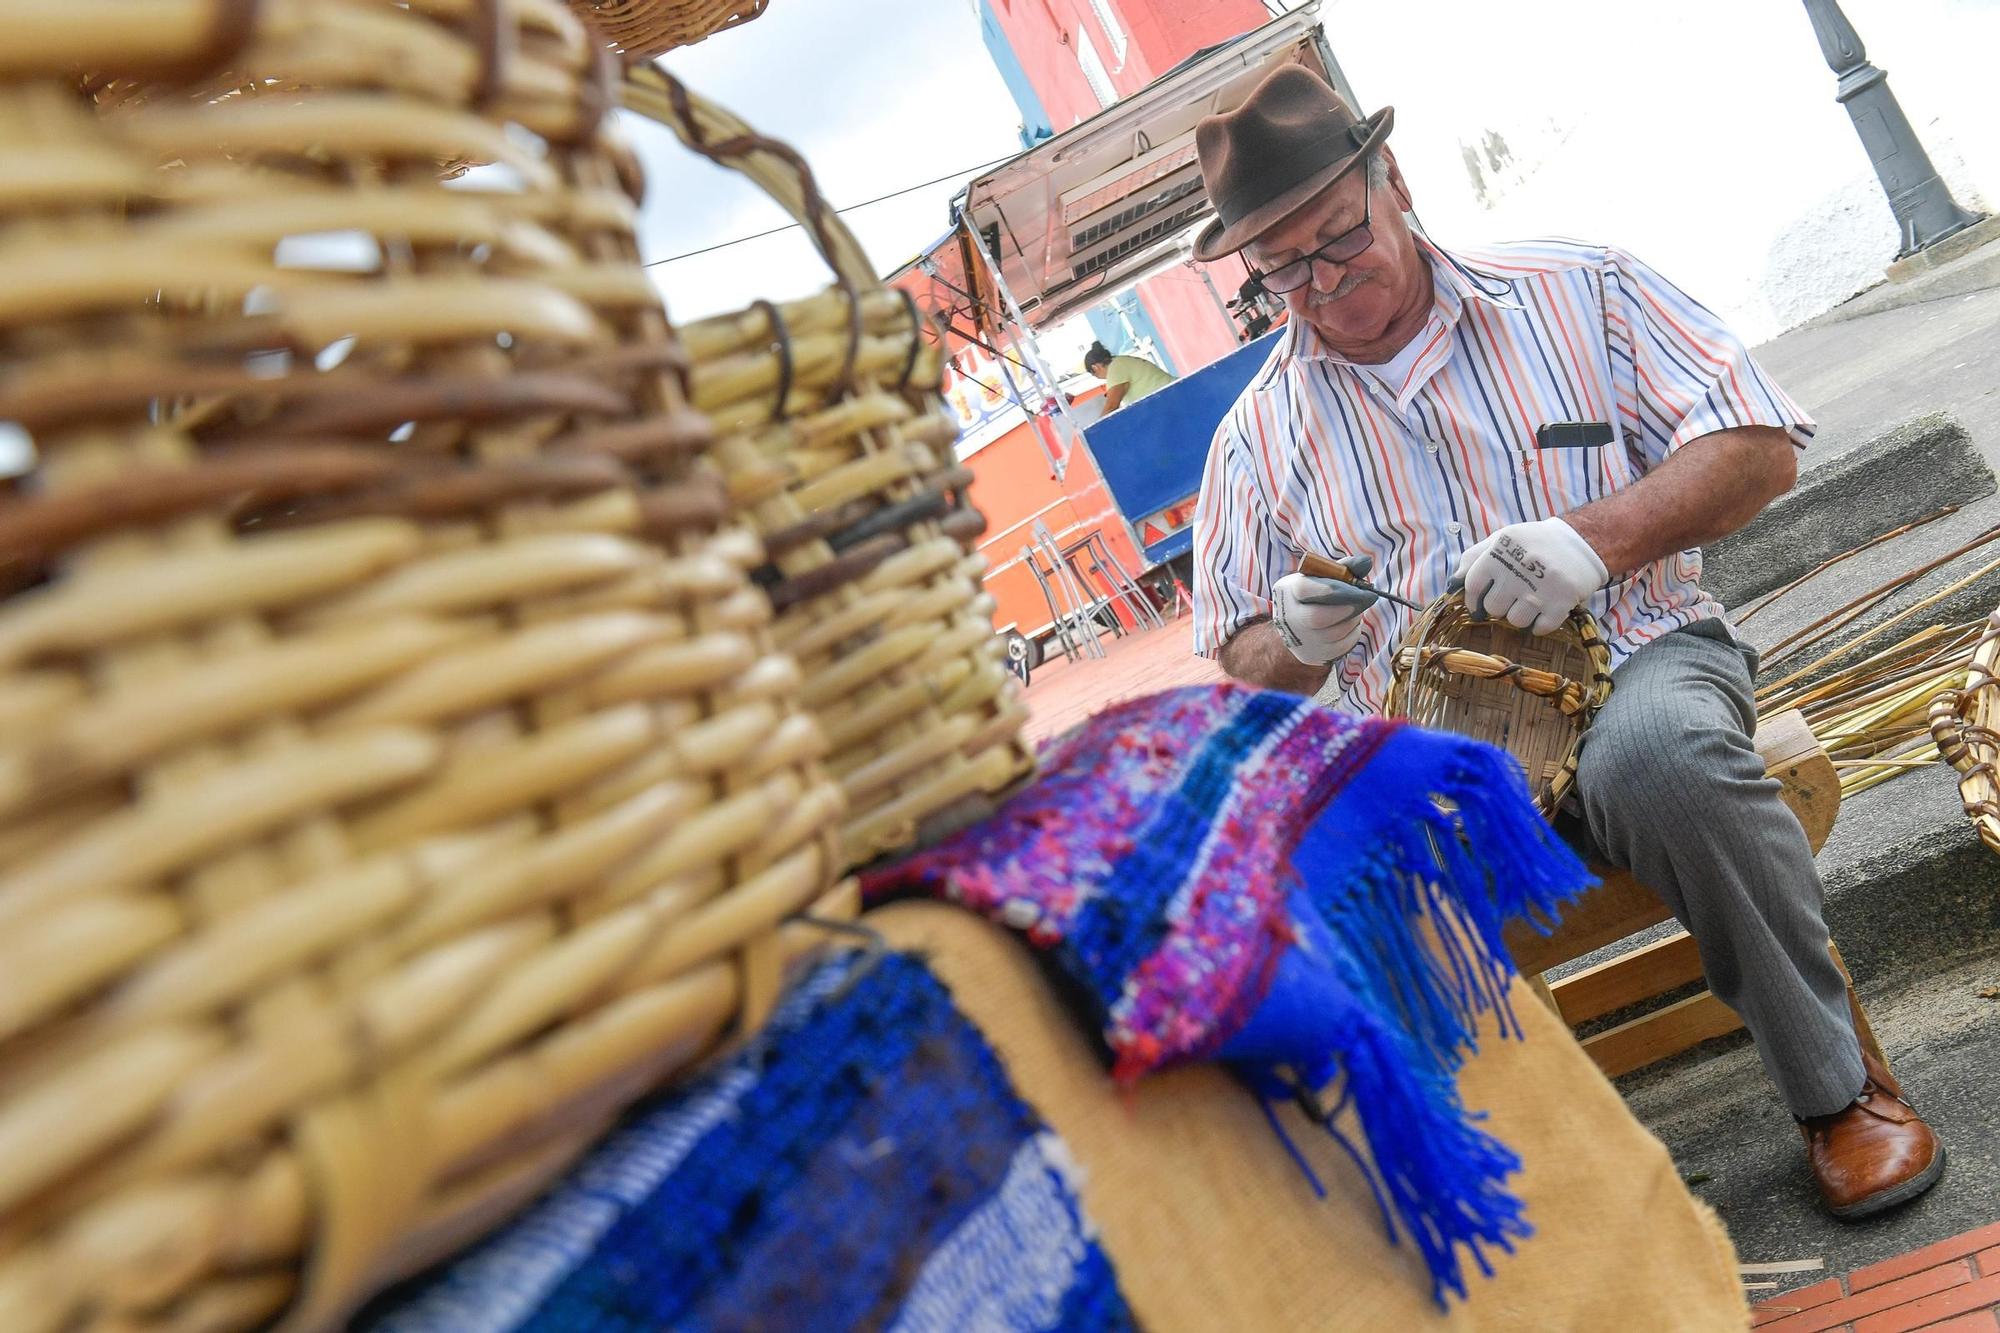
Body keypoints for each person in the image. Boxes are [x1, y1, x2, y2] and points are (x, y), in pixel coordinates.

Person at [1187, 64, 1942, 1219]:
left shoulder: (1575, 288)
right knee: (1303, 885)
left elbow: (1755, 440)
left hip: (1637, 652)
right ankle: (1497, 1209)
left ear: (1391, 180)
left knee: (1658, 762)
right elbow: (1238, 662)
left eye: (1337, 239)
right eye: (1281, 268)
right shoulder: (1255, 437)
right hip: (1431, 750)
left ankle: (1840, 1094)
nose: (1322, 284)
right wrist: (1291, 635)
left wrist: (1598, 539)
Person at [1083, 341, 1176, 413]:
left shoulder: (1115, 369)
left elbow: (1111, 406)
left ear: (1095, 367)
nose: (1099, 378)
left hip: (1169, 396)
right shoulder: (1119, 362)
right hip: (1170, 393)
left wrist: (1097, 430)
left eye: (1093, 374)